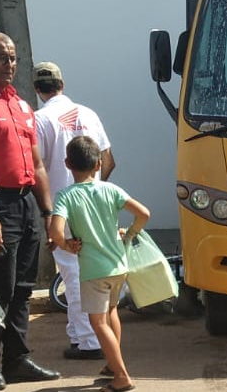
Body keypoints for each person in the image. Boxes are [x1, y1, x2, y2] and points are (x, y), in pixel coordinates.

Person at [0, 32, 61, 391]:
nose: (9, 65)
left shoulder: (22, 105)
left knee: (23, 287)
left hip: (25, 203)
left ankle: (17, 359)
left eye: (13, 58)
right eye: (1, 58)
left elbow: (37, 165)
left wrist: (49, 211)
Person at [50, 135, 149, 392]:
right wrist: (129, 235)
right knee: (112, 313)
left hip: (94, 271)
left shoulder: (66, 196)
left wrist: (66, 245)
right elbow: (143, 213)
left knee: (98, 323)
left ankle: (121, 376)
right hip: (119, 265)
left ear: (67, 164)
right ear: (98, 164)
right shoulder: (111, 189)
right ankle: (111, 364)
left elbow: (56, 231)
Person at [33, 61, 116, 360]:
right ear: (62, 84)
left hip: (62, 207)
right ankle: (81, 337)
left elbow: (36, 167)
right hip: (95, 204)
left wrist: (46, 213)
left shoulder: (40, 119)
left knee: (73, 273)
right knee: (89, 272)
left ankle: (91, 341)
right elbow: (109, 161)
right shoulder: (89, 114)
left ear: (36, 88)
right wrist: (95, 190)